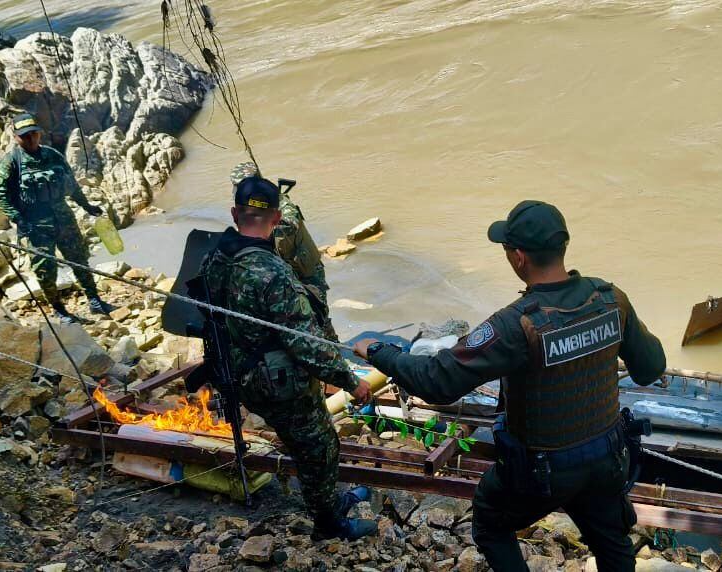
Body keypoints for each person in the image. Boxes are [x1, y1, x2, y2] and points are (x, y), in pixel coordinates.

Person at [353, 200, 668, 572]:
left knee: (491, 523)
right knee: (612, 541)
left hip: (541, 472)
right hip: (607, 458)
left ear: (518, 257)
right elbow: (651, 368)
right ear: (563, 245)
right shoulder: (610, 299)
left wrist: (379, 351)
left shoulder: (515, 325)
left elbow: (437, 382)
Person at [197, 173, 376, 540]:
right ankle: (328, 524)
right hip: (275, 383)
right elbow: (307, 345)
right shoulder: (274, 273)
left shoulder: (215, 258)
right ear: (277, 219)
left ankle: (329, 502)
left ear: (234, 213)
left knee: (305, 442)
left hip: (237, 373)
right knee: (320, 449)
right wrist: (351, 382)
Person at [0, 113, 115, 323]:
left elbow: (71, 185)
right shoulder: (11, 162)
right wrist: (18, 218)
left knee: (79, 259)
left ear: (39, 133)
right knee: (45, 269)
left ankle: (95, 300)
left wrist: (86, 205)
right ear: (15, 137)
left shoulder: (52, 155)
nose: (31, 139)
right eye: (25, 136)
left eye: (34, 134)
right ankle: (59, 310)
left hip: (64, 218)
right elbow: (0, 195)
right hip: (36, 226)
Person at [229, 161, 337, 338]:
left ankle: (333, 347)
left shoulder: (281, 204)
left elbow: (290, 222)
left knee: (318, 315)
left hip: (306, 271)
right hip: (284, 272)